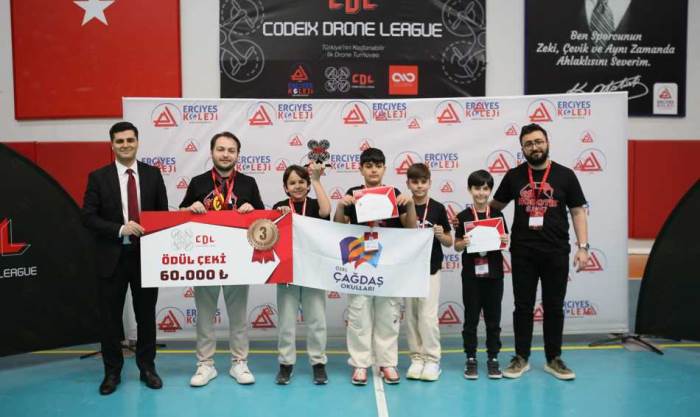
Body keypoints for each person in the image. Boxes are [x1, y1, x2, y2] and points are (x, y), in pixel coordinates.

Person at [491, 123, 590, 381]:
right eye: (528, 144)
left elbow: (578, 211)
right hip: (523, 252)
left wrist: (583, 247)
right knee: (523, 306)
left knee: (554, 306)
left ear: (547, 143)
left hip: (556, 251)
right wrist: (471, 219)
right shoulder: (513, 176)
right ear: (522, 149)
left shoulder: (565, 176)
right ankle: (521, 358)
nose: (534, 147)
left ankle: (553, 358)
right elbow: (494, 207)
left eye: (538, 141)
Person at [82, 121, 168, 395]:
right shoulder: (98, 177)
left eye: (130, 140)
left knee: (146, 317)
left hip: (145, 258)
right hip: (112, 259)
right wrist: (120, 229)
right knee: (110, 320)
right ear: (112, 145)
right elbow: (88, 217)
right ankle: (112, 373)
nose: (125, 145)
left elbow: (163, 215)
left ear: (137, 142)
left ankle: (147, 368)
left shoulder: (153, 175)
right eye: (119, 141)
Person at [179, 131, 265, 387]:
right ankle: (205, 364)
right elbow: (180, 215)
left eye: (231, 150)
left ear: (237, 155)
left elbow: (264, 220)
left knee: (238, 316)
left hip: (238, 260)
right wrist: (188, 209)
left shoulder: (248, 183)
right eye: (221, 149)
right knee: (205, 315)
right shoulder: (198, 182)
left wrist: (253, 211)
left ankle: (239, 362)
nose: (225, 154)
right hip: (205, 259)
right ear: (212, 152)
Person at [334, 147, 417, 385]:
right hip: (359, 263)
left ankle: (387, 363)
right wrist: (341, 207)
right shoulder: (352, 194)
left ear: (384, 169)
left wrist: (410, 204)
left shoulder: (395, 194)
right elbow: (338, 229)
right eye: (369, 166)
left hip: (388, 265)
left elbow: (411, 228)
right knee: (358, 314)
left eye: (378, 166)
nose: (373, 170)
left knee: (388, 314)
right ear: (361, 169)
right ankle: (360, 364)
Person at [272, 163, 331, 385]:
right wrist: (279, 216)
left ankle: (318, 363)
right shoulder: (278, 207)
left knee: (317, 320)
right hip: (287, 272)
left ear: (307, 185)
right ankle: (286, 364)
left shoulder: (314, 204)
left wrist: (317, 180)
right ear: (285, 188)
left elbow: (326, 211)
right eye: (292, 183)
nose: (297, 186)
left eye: (301, 182)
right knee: (286, 322)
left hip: (313, 272)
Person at [454, 170, 509, 380]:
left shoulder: (497, 215)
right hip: (471, 276)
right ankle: (470, 358)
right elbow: (457, 246)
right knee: (471, 319)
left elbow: (504, 242)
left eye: (485, 188)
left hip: (494, 275)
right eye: (477, 188)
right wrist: (464, 242)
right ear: (470, 190)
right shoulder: (463, 217)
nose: (481, 193)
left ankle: (493, 358)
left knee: (493, 319)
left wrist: (504, 240)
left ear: (490, 190)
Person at [403, 163, 452, 381]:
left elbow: (450, 241)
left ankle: (432, 360)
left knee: (427, 317)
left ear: (430, 183)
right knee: (412, 317)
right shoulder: (403, 206)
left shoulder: (438, 208)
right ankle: (416, 358)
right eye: (415, 182)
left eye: (423, 181)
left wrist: (441, 235)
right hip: (408, 270)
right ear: (408, 184)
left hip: (431, 269)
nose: (419, 186)